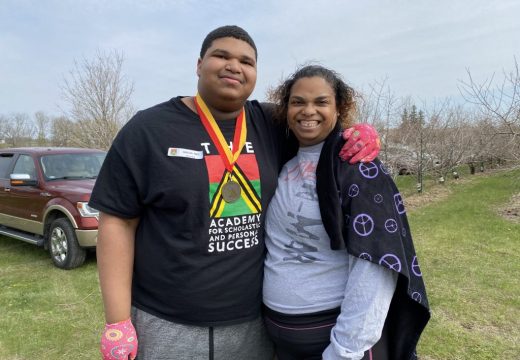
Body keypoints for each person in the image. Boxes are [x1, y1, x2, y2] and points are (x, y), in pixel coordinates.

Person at [90, 26, 380, 360]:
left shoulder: (272, 125)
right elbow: (116, 222)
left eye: (246, 61)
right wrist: (118, 321)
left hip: (253, 324)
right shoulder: (148, 129)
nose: (233, 66)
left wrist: (355, 133)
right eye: (221, 56)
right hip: (166, 322)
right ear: (199, 64)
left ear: (255, 74)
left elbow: (316, 122)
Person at [262, 65, 430, 360]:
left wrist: (344, 351)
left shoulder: (358, 166)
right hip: (281, 339)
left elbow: (375, 266)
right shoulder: (283, 159)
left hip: (334, 341)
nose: (308, 110)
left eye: (321, 102)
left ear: (340, 107)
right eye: (298, 101)